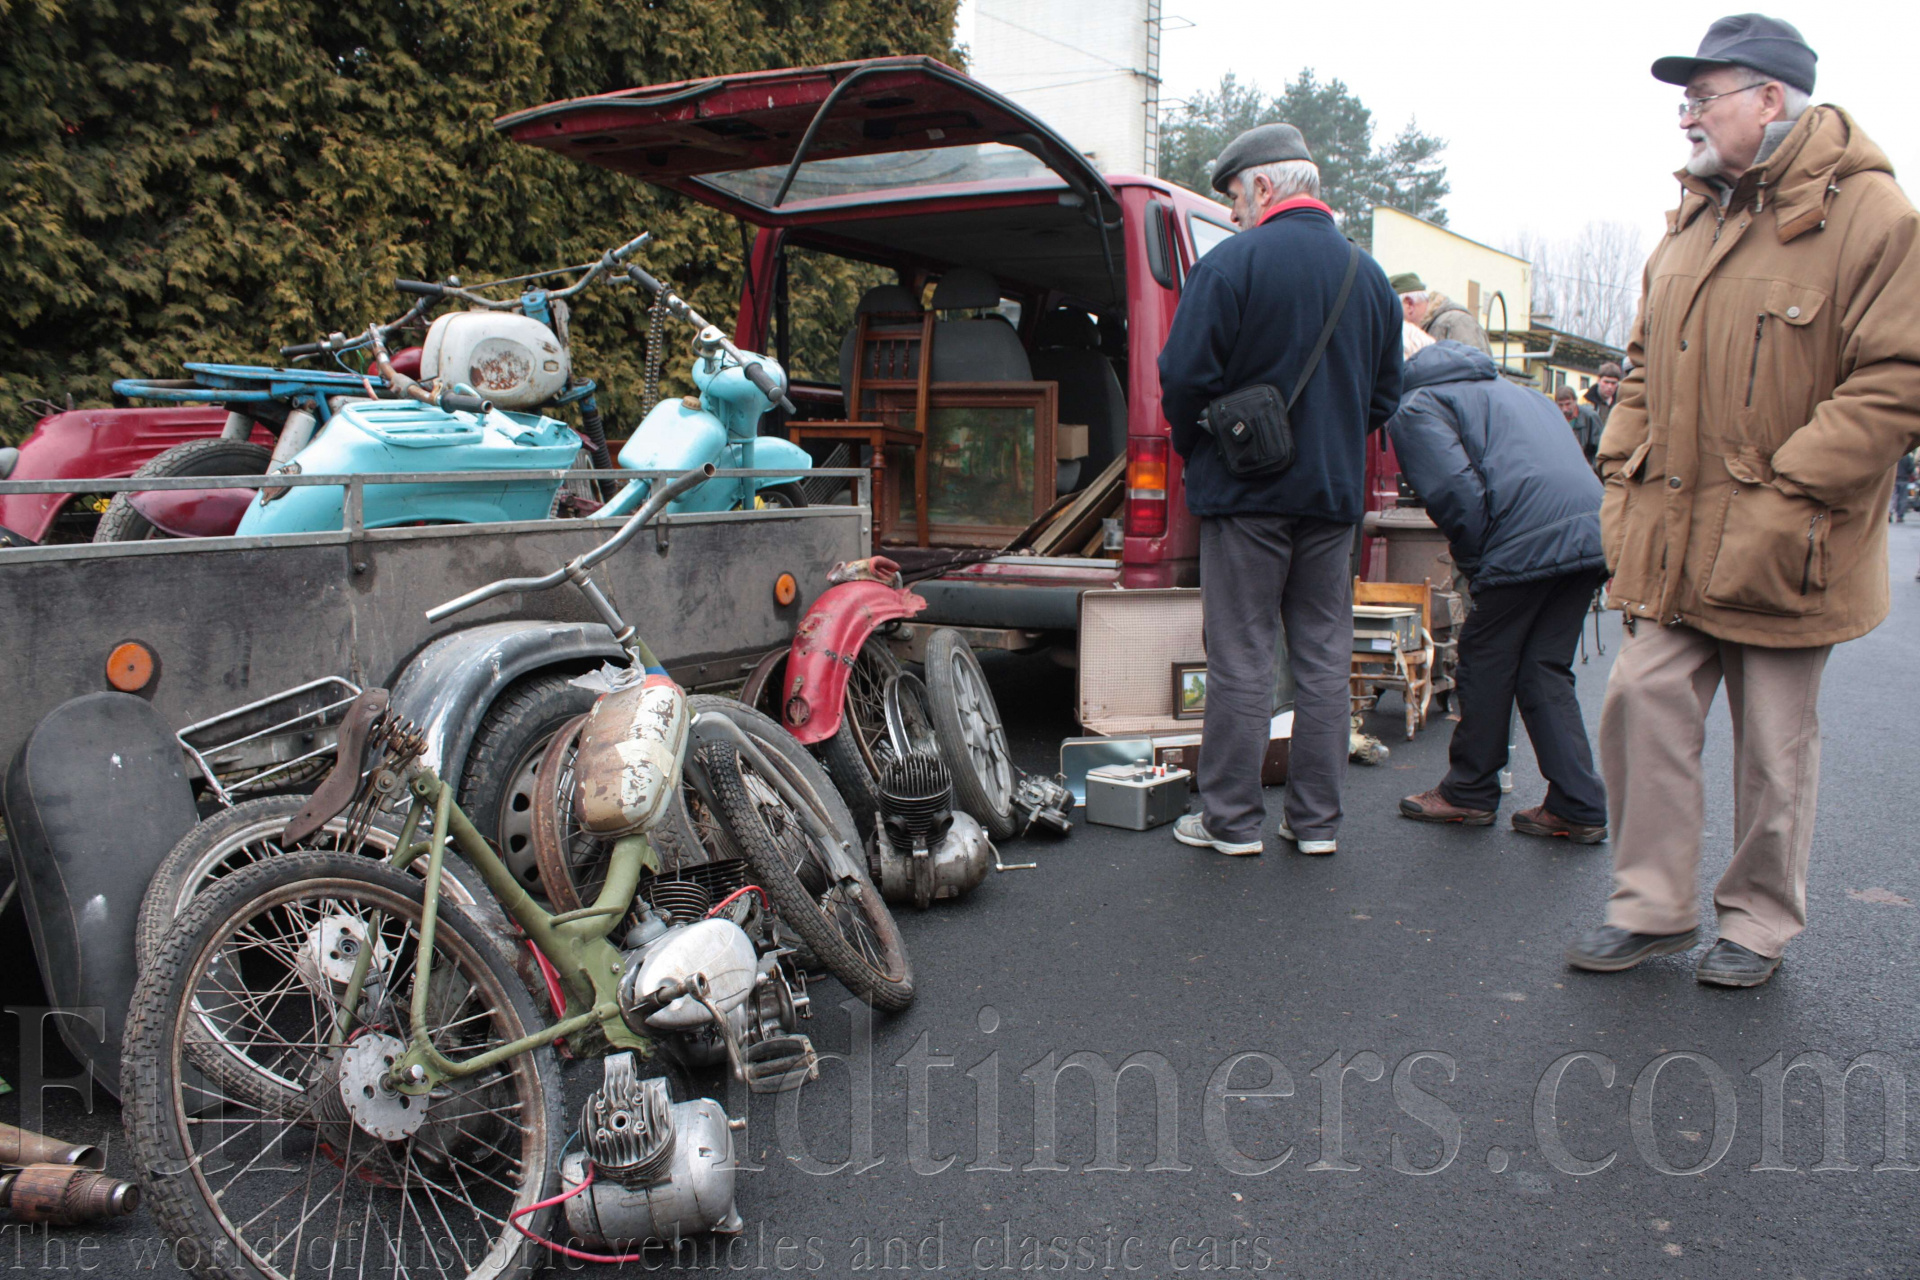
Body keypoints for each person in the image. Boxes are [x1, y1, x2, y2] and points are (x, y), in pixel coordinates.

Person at [1568, 15, 1920, 988]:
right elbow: (1642, 362)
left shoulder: (1874, 213)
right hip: (1675, 534)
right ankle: (1651, 906)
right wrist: (1622, 461)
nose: (1687, 116)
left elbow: (1899, 376)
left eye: (1703, 97)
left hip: (1787, 538)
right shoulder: (1691, 216)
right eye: (1685, 102)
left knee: (1773, 744)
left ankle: (1757, 924)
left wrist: (1793, 489)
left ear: (1771, 99)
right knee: (1641, 699)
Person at [1157, 123, 1402, 857]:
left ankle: (1231, 823)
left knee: (1241, 656)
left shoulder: (1231, 266)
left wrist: (1206, 443)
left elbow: (1183, 378)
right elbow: (1384, 398)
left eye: (1235, 197)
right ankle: (1316, 823)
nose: (1233, 213)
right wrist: (1326, 438)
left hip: (1246, 497)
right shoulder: (1372, 279)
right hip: (1331, 499)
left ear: (1264, 186)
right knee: (1324, 657)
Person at [1390, 342, 1610, 839]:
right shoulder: (1522, 394)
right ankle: (1577, 803)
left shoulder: (1417, 405)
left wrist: (1478, 566)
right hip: (1592, 531)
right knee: (1543, 668)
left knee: (1484, 661)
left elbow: (1455, 493)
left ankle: (1468, 792)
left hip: (1523, 537)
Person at [1389, 272, 1492, 353]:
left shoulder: (1457, 323)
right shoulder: (1428, 327)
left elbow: (1478, 369)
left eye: (1391, 310)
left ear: (1409, 304)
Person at [1555, 385, 1602, 466]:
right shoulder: (1554, 417)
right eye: (1560, 405)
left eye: (1568, 404)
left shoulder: (1590, 417)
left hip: (1586, 465)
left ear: (1575, 401)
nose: (1564, 409)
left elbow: (1599, 447)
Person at [1584, 361, 1622, 437]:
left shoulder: (1621, 403)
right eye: (1606, 382)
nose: (1609, 387)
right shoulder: (1583, 399)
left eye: (1613, 383)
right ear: (1598, 380)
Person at [1892, 451, 1913, 522]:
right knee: (1902, 498)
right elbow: (1911, 468)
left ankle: (1889, 513)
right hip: (1904, 480)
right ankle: (1900, 516)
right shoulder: (1907, 457)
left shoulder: (1894, 455)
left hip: (1894, 479)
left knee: (1893, 497)